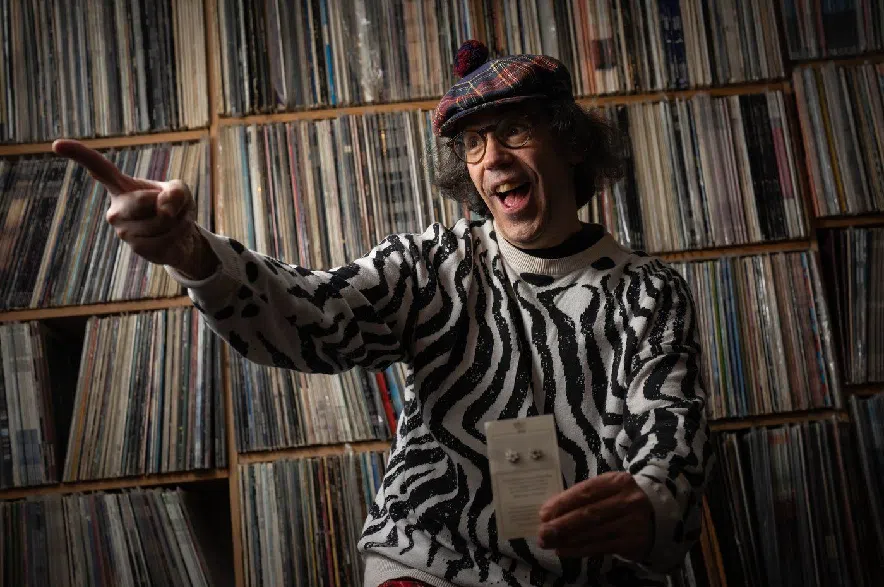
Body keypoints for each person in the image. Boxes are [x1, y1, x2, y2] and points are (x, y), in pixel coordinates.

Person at [54, 40, 712, 587]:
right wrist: (189, 251)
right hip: (428, 567)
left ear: (569, 143)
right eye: (474, 144)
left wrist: (649, 508)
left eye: (514, 130)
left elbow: (672, 449)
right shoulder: (434, 260)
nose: (494, 160)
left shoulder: (650, 293)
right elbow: (313, 318)